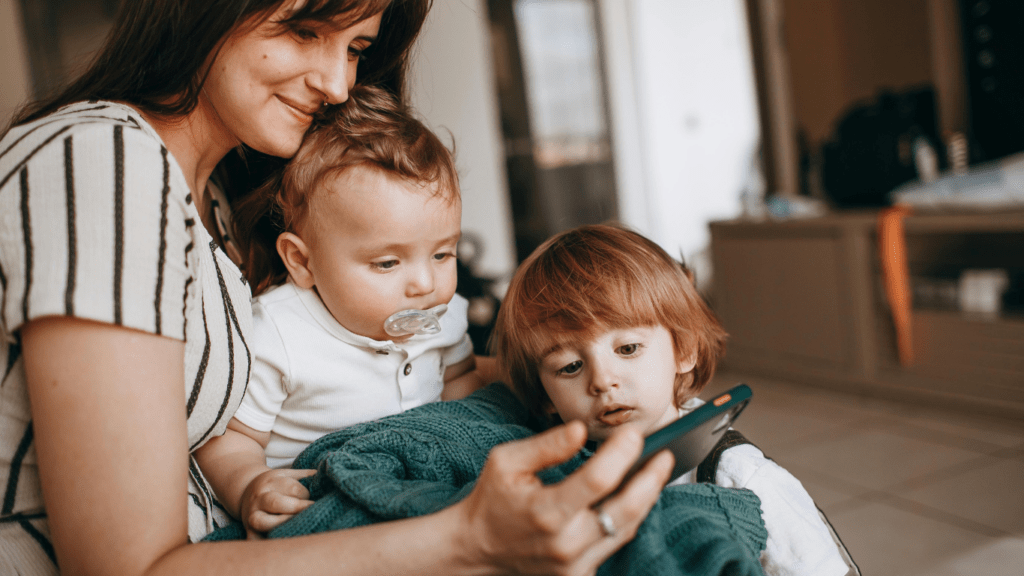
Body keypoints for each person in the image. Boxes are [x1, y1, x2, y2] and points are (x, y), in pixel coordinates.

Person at [0, 1, 675, 575]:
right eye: (304, 31)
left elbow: (442, 373)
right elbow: (126, 568)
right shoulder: (102, 161)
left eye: (355, 47)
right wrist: (468, 537)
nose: (335, 83)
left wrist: (586, 376)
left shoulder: (216, 208)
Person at [194, 85, 484, 536]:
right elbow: (230, 440)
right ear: (303, 262)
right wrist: (250, 485)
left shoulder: (446, 317)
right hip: (327, 506)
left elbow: (461, 387)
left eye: (443, 255)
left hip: (423, 486)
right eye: (387, 262)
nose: (425, 285)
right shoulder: (279, 334)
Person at [493, 223, 853, 576]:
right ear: (545, 396)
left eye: (628, 348)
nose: (602, 381)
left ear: (684, 350)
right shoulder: (565, 475)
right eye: (570, 367)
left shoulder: (739, 478)